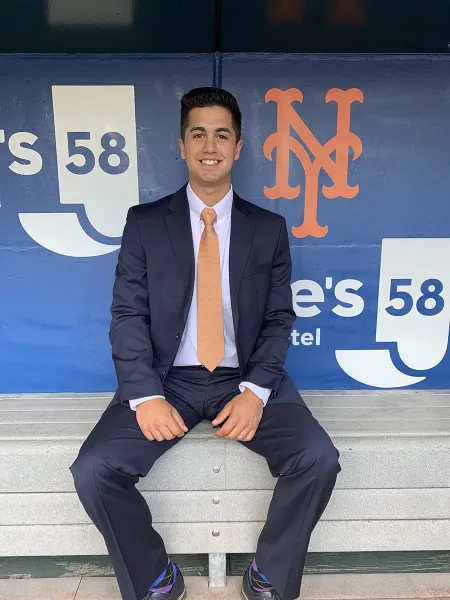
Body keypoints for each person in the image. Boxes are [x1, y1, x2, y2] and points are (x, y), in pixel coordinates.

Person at [70, 87, 341, 600]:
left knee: (318, 459)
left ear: (239, 147)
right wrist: (146, 396)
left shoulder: (269, 228)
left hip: (245, 377)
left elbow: (279, 318)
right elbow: (128, 314)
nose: (209, 145)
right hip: (167, 379)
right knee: (94, 470)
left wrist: (257, 391)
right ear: (181, 144)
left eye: (222, 134)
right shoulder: (146, 224)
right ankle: (155, 578)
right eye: (199, 133)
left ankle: (268, 576)